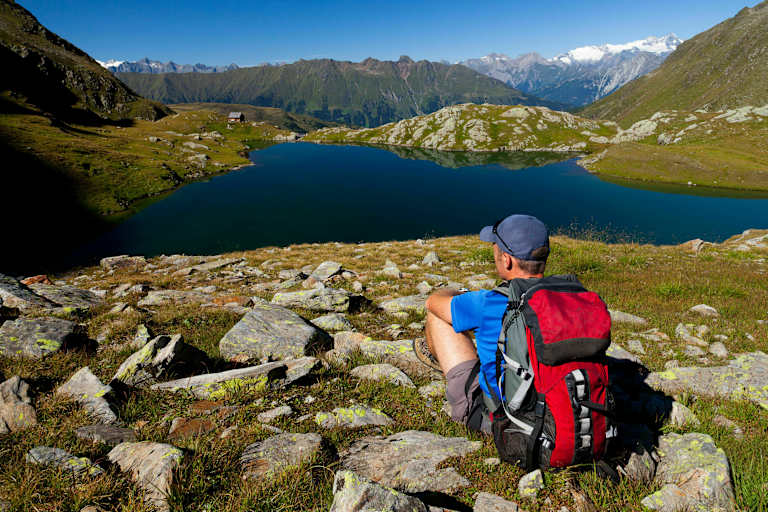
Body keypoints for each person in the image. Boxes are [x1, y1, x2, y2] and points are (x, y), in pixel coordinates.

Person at [414, 214, 550, 433]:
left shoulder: (488, 301)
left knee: (438, 317)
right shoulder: (573, 299)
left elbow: (433, 303)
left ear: (506, 260)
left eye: (496, 250)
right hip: (563, 419)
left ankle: (437, 359)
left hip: (503, 421)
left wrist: (460, 294)